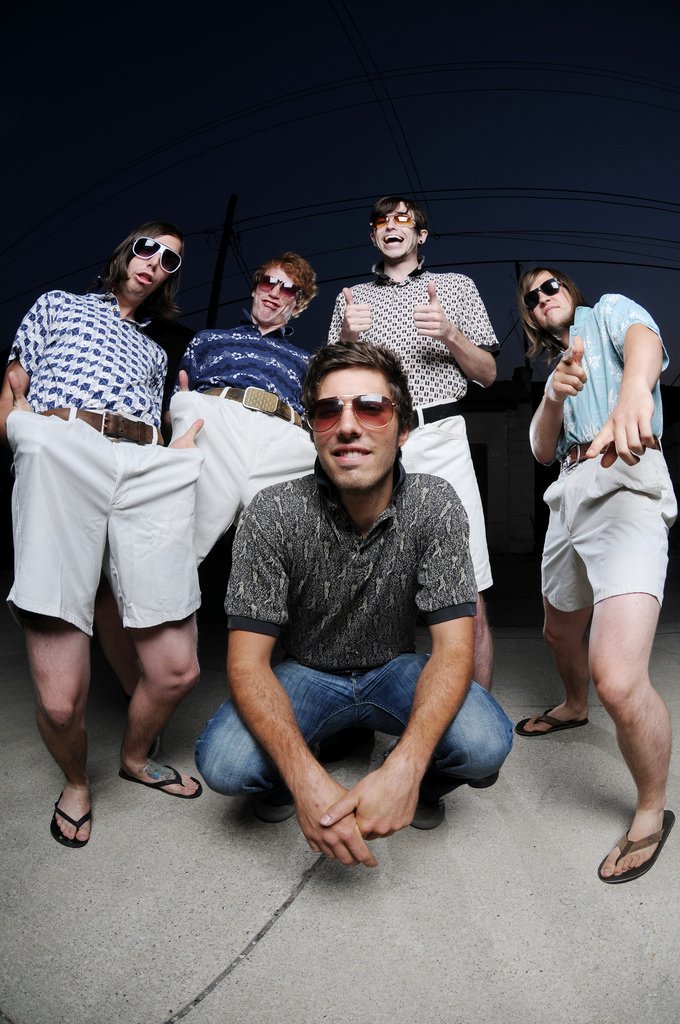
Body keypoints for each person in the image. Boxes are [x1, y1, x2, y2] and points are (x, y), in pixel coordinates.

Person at [194, 341, 513, 867]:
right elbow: (246, 664)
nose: (347, 426)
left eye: (370, 408)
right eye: (328, 411)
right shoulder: (272, 512)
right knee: (225, 764)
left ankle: (422, 790)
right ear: (313, 430)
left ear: (402, 429)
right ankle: (286, 780)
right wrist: (306, 783)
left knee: (485, 744)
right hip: (308, 673)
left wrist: (404, 769)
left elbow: (454, 650)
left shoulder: (434, 503)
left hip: (394, 669)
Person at [0, 222, 205, 850]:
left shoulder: (155, 350)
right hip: (64, 444)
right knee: (61, 703)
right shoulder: (57, 305)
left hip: (144, 460)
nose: (156, 261)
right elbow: (14, 387)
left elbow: (161, 410)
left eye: (170, 259)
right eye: (148, 247)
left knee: (177, 669)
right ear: (126, 251)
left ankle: (135, 759)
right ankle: (76, 782)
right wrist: (21, 435)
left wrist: (175, 447)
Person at [514, 267, 676, 883]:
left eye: (550, 286)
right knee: (559, 632)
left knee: (620, 679)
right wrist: (553, 396)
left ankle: (651, 810)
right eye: (531, 297)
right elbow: (540, 450)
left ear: (569, 291)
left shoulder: (605, 313)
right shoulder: (558, 367)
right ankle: (573, 705)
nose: (543, 297)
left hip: (626, 480)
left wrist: (634, 392)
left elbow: (645, 338)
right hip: (568, 495)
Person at [327, 195, 498, 689]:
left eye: (403, 219)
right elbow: (330, 380)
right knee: (367, 582)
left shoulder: (456, 287)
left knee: (466, 587)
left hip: (439, 434)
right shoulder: (350, 299)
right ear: (374, 236)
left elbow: (488, 374)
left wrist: (450, 334)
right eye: (382, 220)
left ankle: (477, 715)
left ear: (420, 235)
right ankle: (367, 703)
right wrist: (345, 337)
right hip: (374, 437)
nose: (391, 226)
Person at [169, 252, 318, 563]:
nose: (274, 293)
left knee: (288, 552)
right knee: (178, 543)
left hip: (282, 437)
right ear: (255, 288)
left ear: (297, 305)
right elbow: (174, 405)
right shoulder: (208, 340)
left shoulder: (306, 361)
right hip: (215, 426)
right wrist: (183, 416)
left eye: (287, 289)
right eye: (268, 282)